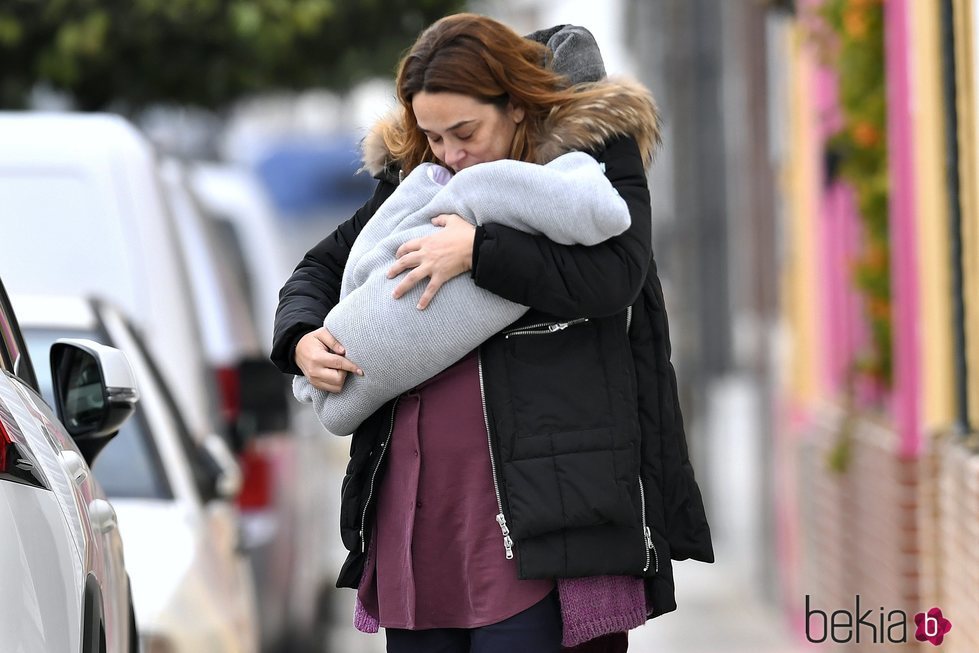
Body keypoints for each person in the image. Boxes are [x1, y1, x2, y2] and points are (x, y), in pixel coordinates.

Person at [271, 13, 714, 653]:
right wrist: (301, 339)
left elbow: (616, 274)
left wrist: (480, 251)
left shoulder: (587, 157)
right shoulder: (419, 177)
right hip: (420, 516)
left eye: (465, 132)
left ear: (514, 104)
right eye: (432, 135)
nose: (450, 153)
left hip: (542, 518)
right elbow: (319, 267)